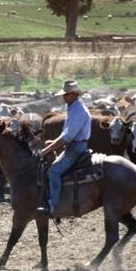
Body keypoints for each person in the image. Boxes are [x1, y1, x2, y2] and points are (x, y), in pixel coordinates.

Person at [36, 80, 91, 217]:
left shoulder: (78, 110)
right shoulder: (73, 107)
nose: (63, 97)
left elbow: (67, 137)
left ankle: (52, 206)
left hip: (76, 147)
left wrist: (46, 150)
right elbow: (65, 133)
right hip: (74, 145)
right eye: (64, 94)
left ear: (73, 94)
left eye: (66, 94)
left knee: (53, 172)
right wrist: (52, 142)